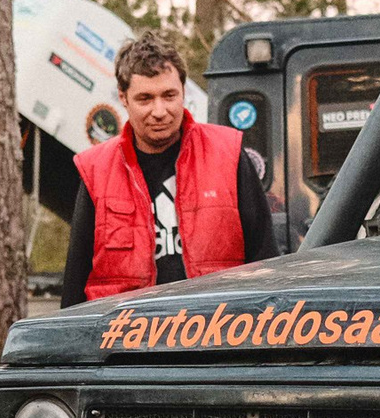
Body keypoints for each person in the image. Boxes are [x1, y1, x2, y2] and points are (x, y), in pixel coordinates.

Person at [60, 32, 275, 306]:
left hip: (216, 333)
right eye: (145, 98)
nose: (159, 110)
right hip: (126, 339)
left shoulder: (228, 153)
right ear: (123, 98)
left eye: (169, 95)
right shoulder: (96, 169)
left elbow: (265, 258)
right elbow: (76, 278)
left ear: (183, 92)